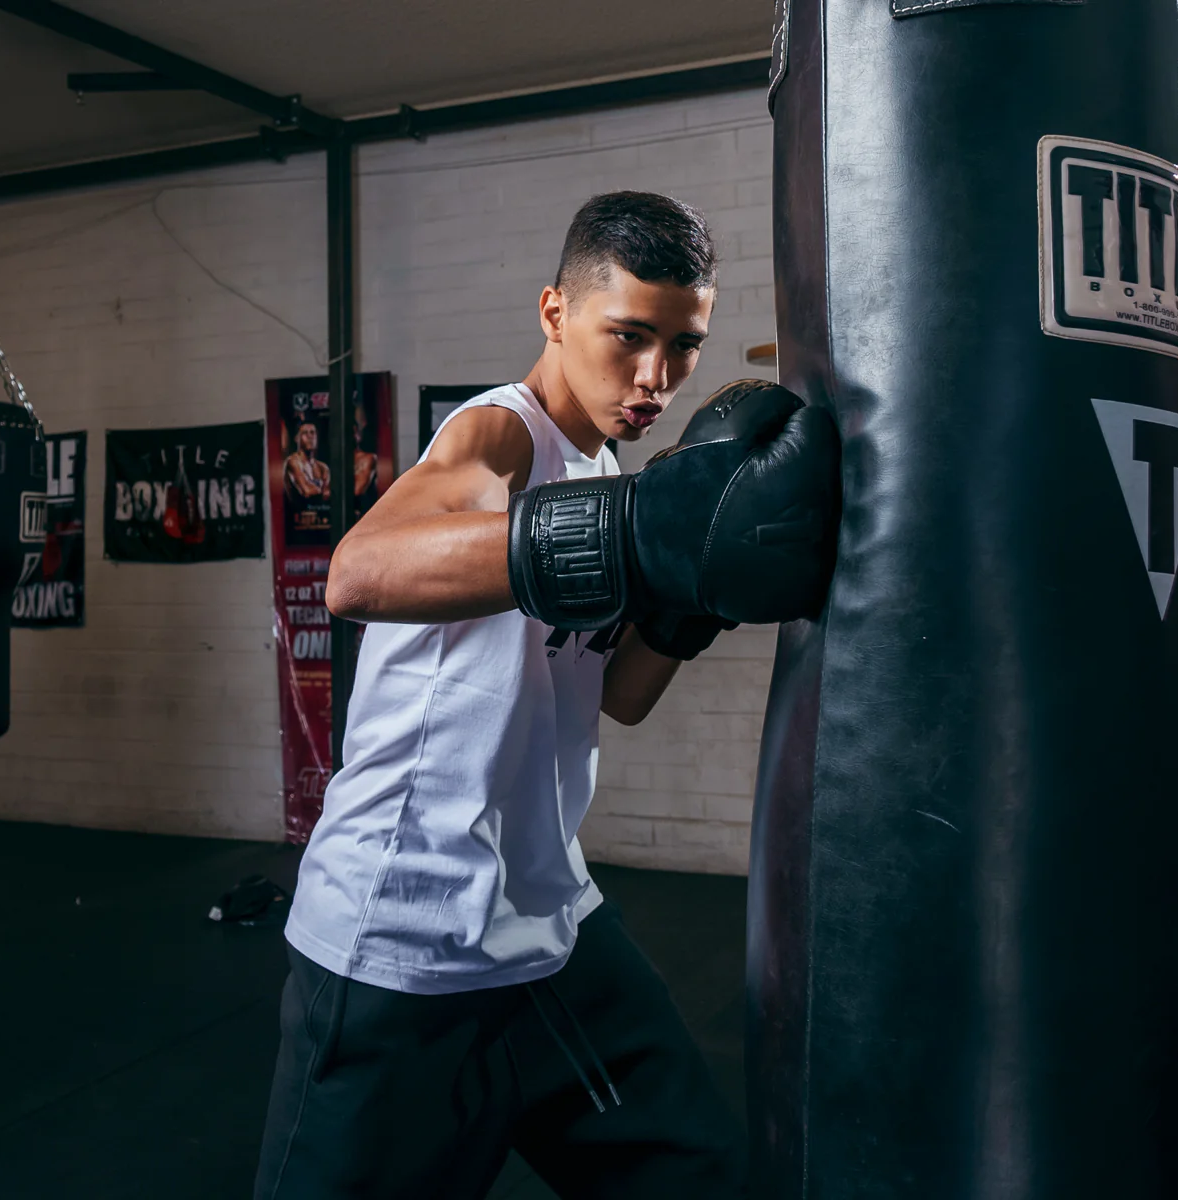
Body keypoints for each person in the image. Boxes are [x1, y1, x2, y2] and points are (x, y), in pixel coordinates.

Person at [255, 191, 834, 1199]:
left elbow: (617, 696)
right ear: (555, 315)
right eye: (629, 337)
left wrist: (698, 594)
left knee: (703, 1175)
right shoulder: (500, 438)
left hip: (546, 925)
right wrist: (636, 529)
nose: (655, 377)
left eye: (684, 345)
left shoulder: (608, 466)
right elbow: (358, 572)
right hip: (401, 946)